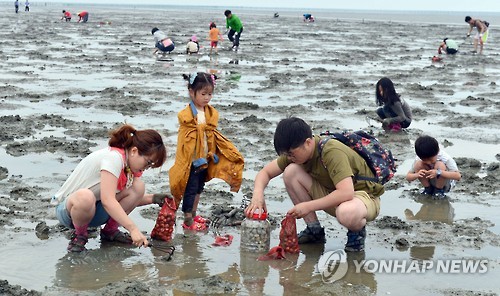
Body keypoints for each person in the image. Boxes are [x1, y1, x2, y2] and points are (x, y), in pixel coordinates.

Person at [245, 117, 384, 252]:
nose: (289, 158)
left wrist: (308, 206)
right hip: (333, 194)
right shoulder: (293, 154)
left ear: (308, 142)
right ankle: (314, 230)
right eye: (286, 155)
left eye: (291, 154)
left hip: (362, 198)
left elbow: (346, 193)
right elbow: (265, 173)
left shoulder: (331, 150)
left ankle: (356, 233)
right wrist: (257, 196)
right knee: (291, 172)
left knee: (347, 212)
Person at [51, 124, 168, 252]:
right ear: (134, 151)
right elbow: (108, 200)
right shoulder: (113, 158)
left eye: (151, 165)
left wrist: (153, 199)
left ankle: (110, 231)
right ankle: (79, 236)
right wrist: (133, 229)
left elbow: (124, 198)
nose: (147, 168)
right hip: (70, 212)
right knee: (85, 196)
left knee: (138, 187)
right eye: (148, 162)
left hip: (94, 209)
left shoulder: (128, 166)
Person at [169, 72, 244, 231]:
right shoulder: (186, 115)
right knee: (189, 189)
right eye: (203, 94)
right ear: (191, 92)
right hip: (191, 161)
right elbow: (186, 139)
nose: (207, 98)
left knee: (199, 188)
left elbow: (211, 136)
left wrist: (213, 153)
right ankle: (187, 219)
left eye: (210, 94)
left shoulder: (210, 114)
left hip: (205, 158)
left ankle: (194, 213)